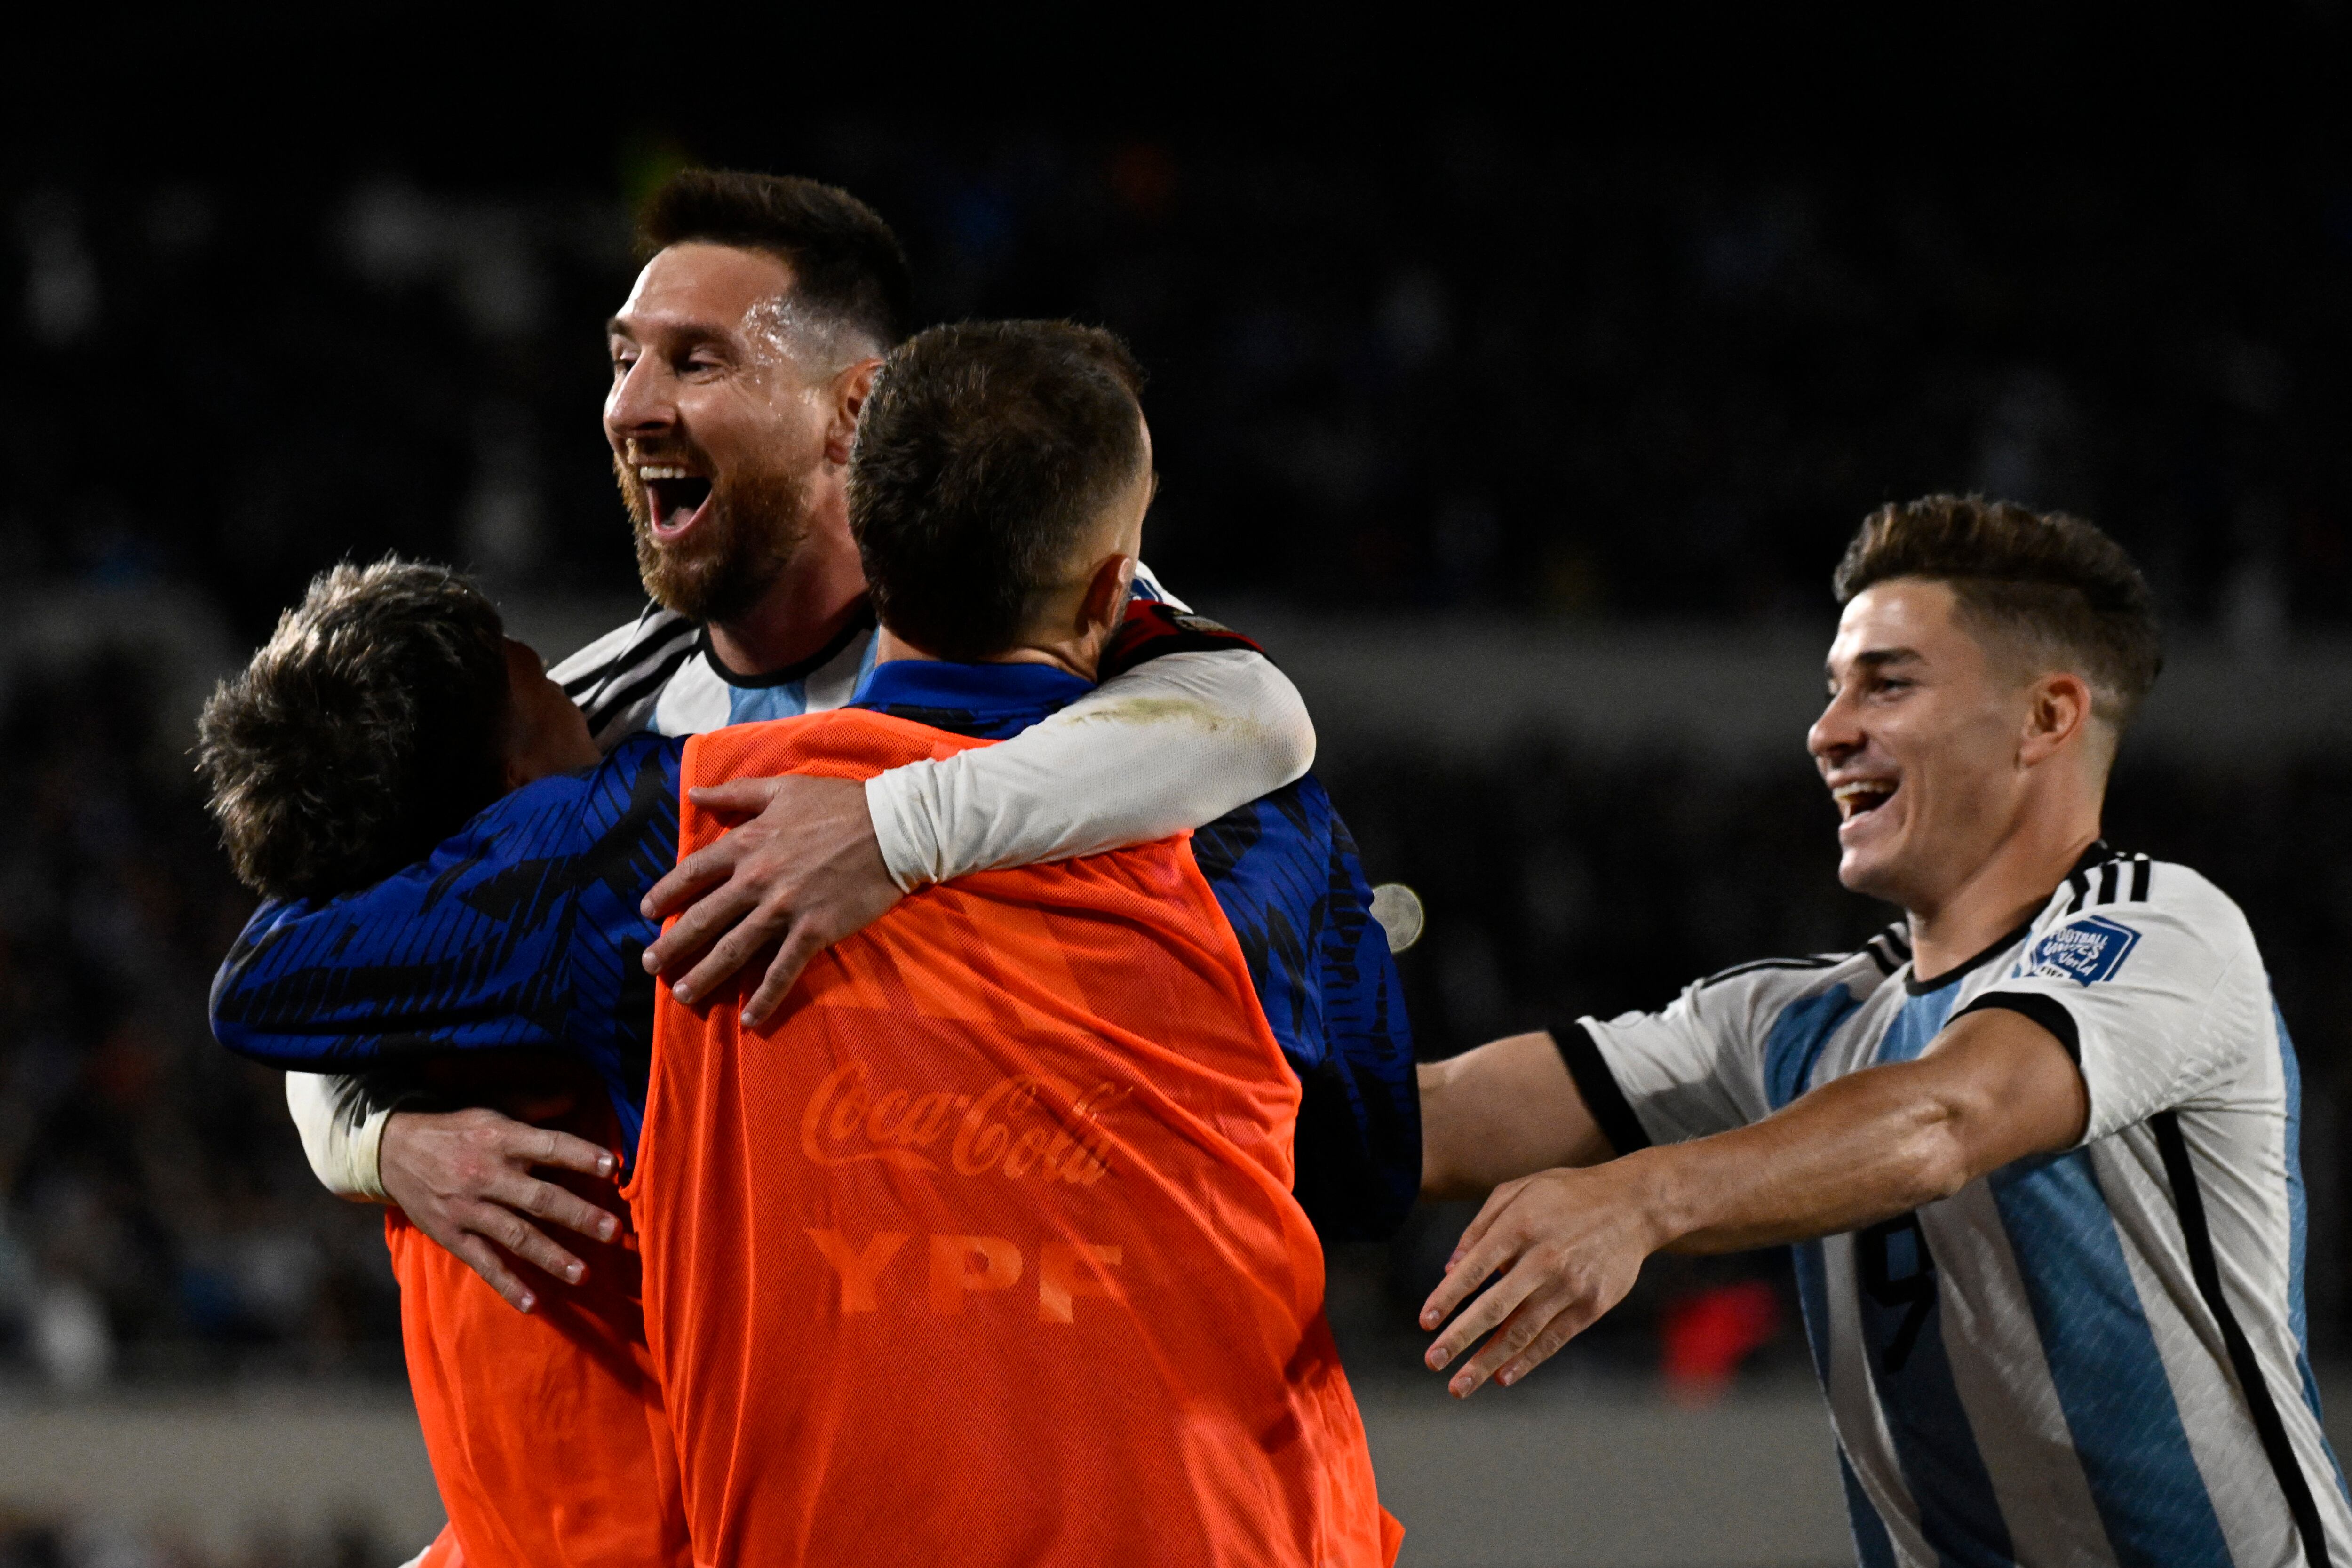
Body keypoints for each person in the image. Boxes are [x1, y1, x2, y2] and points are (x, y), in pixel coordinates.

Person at [208, 323, 1415, 1567]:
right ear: (1118, 588)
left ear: (866, 564)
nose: (592, 701)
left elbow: (271, 975)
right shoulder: (1273, 838)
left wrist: (371, 1130)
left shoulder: (662, 841)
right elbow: (1368, 1169)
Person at [286, 168, 1319, 1313]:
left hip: (1055, 1319)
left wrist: (890, 830)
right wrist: (382, 1142)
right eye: (623, 355)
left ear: (856, 409)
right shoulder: (597, 710)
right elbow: (320, 952)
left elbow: (1254, 715)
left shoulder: (1012, 613)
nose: (627, 406)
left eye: (695, 359)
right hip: (763, 1400)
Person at [1416, 495, 2352, 1568]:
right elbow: (1433, 1119)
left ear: (2047, 717)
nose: (1826, 730)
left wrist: (1641, 1196)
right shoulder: (1789, 1020)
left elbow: (1948, 1114)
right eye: (1831, 689)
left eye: (1886, 682)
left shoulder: (2164, 931)